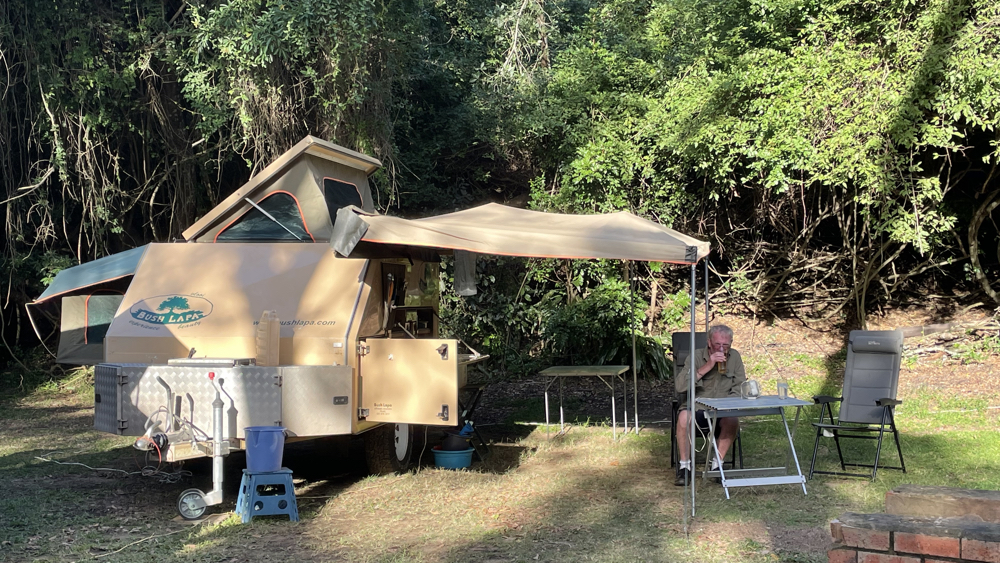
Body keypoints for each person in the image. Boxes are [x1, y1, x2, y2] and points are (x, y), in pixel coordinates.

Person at [674, 324, 747, 486]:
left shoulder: (734, 357)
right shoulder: (695, 357)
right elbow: (680, 387)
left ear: (731, 343)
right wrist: (708, 366)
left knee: (732, 418)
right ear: (709, 343)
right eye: (717, 345)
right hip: (698, 406)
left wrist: (730, 403)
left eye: (726, 345)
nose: (722, 348)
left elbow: (740, 386)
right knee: (684, 416)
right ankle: (685, 466)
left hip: (722, 408)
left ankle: (717, 465)